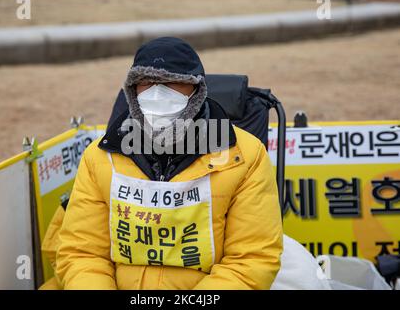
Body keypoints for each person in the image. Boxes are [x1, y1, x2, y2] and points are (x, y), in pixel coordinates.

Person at [53, 37, 283, 290]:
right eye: (147, 82)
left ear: (197, 91)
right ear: (133, 91)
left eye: (173, 82)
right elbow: (82, 254)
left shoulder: (245, 156)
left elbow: (250, 260)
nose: (158, 92)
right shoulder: (101, 157)